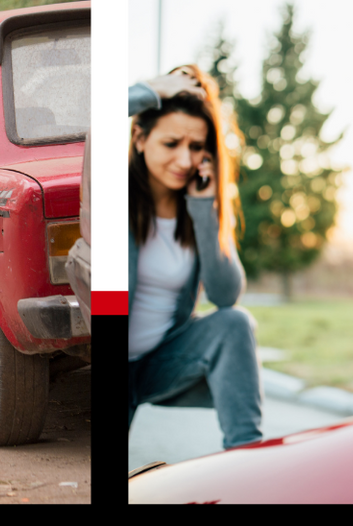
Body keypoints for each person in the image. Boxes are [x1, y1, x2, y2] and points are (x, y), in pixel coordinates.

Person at [127, 66, 262, 450]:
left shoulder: (202, 207)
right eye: (171, 144)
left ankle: (248, 458)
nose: (185, 159)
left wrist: (204, 211)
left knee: (235, 323)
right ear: (140, 138)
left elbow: (224, 294)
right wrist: (151, 91)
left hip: (162, 363)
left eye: (196, 146)